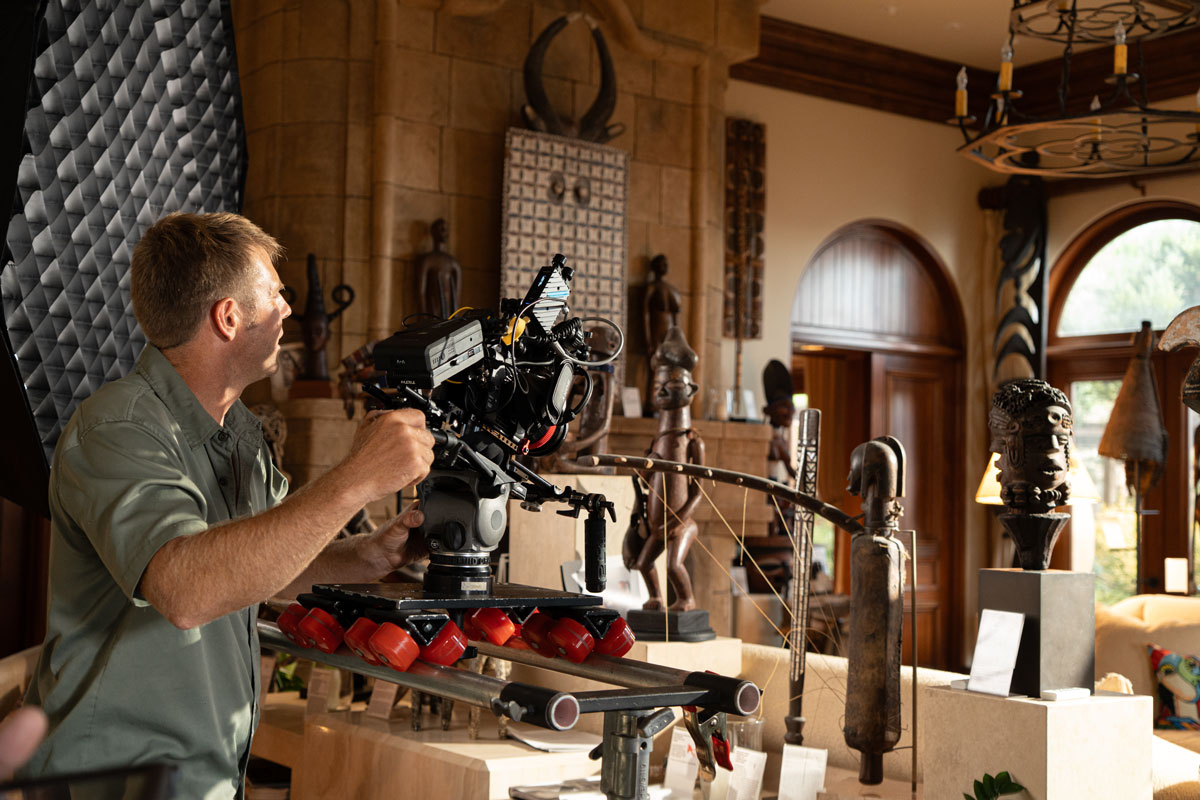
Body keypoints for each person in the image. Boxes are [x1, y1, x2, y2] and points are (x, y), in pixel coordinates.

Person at [20, 212, 435, 799]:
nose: (287, 310)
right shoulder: (118, 428)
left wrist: (368, 555)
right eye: (276, 294)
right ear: (229, 317)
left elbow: (262, 564)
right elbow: (185, 590)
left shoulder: (239, 436)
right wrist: (355, 479)